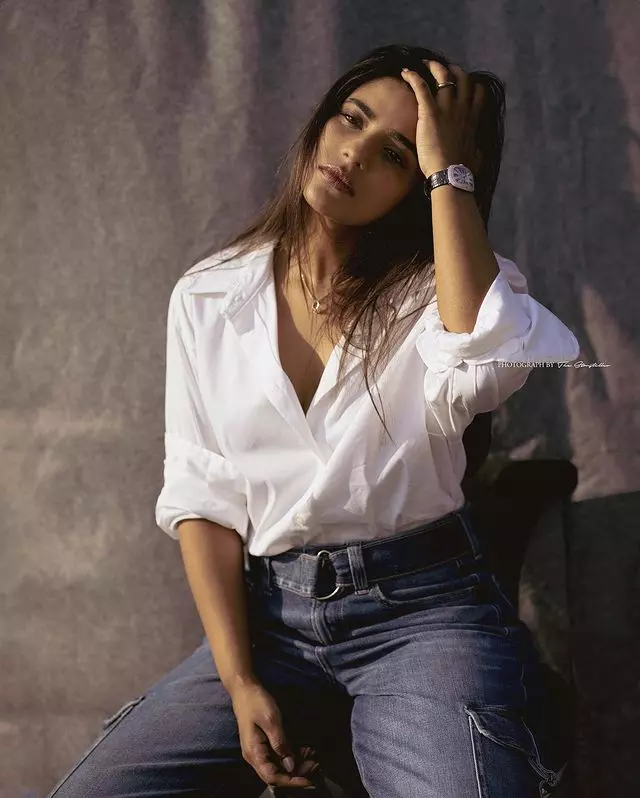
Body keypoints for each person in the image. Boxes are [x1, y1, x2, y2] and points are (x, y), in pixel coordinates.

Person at [47, 44, 579, 798]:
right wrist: (239, 682)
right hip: (270, 625)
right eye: (350, 120)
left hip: (424, 620)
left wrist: (449, 174)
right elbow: (204, 498)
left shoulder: (447, 295)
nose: (353, 154)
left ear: (422, 179)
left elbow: (486, 360)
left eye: (396, 154)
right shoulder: (208, 296)